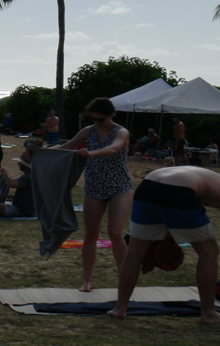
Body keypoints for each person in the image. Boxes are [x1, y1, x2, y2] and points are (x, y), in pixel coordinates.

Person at [107, 165, 220, 323]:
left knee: (135, 252)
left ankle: (120, 308)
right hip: (180, 189)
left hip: (148, 186)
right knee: (209, 251)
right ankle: (208, 313)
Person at [60, 97, 133, 293]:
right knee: (90, 234)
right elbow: (67, 145)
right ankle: (87, 280)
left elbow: (114, 148)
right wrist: (42, 152)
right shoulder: (88, 131)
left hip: (120, 187)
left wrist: (91, 153)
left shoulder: (121, 132)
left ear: (112, 115)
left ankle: (125, 279)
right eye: (93, 119)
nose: (97, 122)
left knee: (115, 232)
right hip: (94, 187)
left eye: (101, 119)